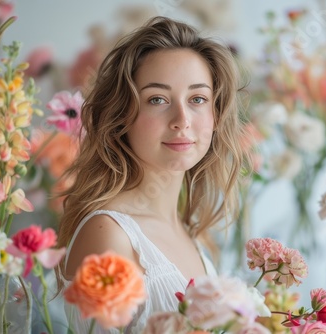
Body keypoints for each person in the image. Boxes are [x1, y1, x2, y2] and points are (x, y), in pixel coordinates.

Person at [55, 16, 249, 333]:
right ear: (121, 117)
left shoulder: (192, 231)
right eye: (157, 99)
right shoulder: (110, 234)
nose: (182, 120)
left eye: (197, 99)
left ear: (216, 115)